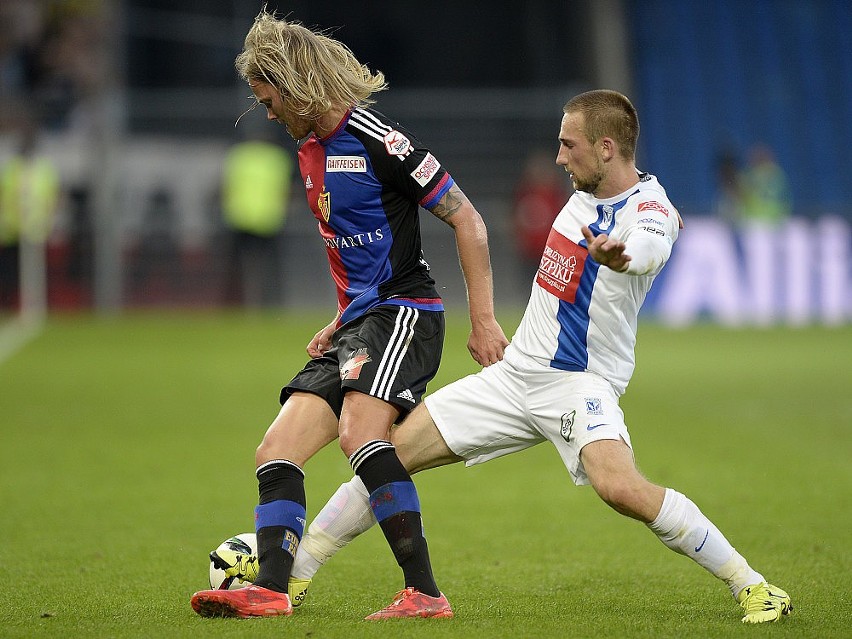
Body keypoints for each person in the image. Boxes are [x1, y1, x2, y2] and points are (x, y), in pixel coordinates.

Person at [283, 90, 793, 625]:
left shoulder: (649, 212)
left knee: (620, 488)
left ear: (606, 148)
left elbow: (650, 244)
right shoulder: (583, 192)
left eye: (567, 145)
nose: (558, 156)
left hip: (579, 382)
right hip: (516, 374)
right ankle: (297, 574)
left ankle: (753, 586)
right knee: (385, 452)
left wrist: (620, 255)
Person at [189, 9, 508, 620]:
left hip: (406, 313)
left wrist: (485, 320)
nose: (269, 113)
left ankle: (425, 594)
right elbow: (356, 255)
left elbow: (468, 219)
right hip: (360, 324)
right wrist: (340, 322)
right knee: (275, 449)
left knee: (360, 434)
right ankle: (273, 593)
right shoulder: (309, 154)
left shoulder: (381, 141)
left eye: (269, 98)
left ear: (294, 82)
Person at [220, 131, 294, 308]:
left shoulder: (238, 155)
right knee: (271, 268)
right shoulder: (278, 158)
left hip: (240, 218)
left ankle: (233, 304)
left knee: (235, 267)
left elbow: (227, 186)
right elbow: (285, 190)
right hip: (268, 220)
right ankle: (272, 305)